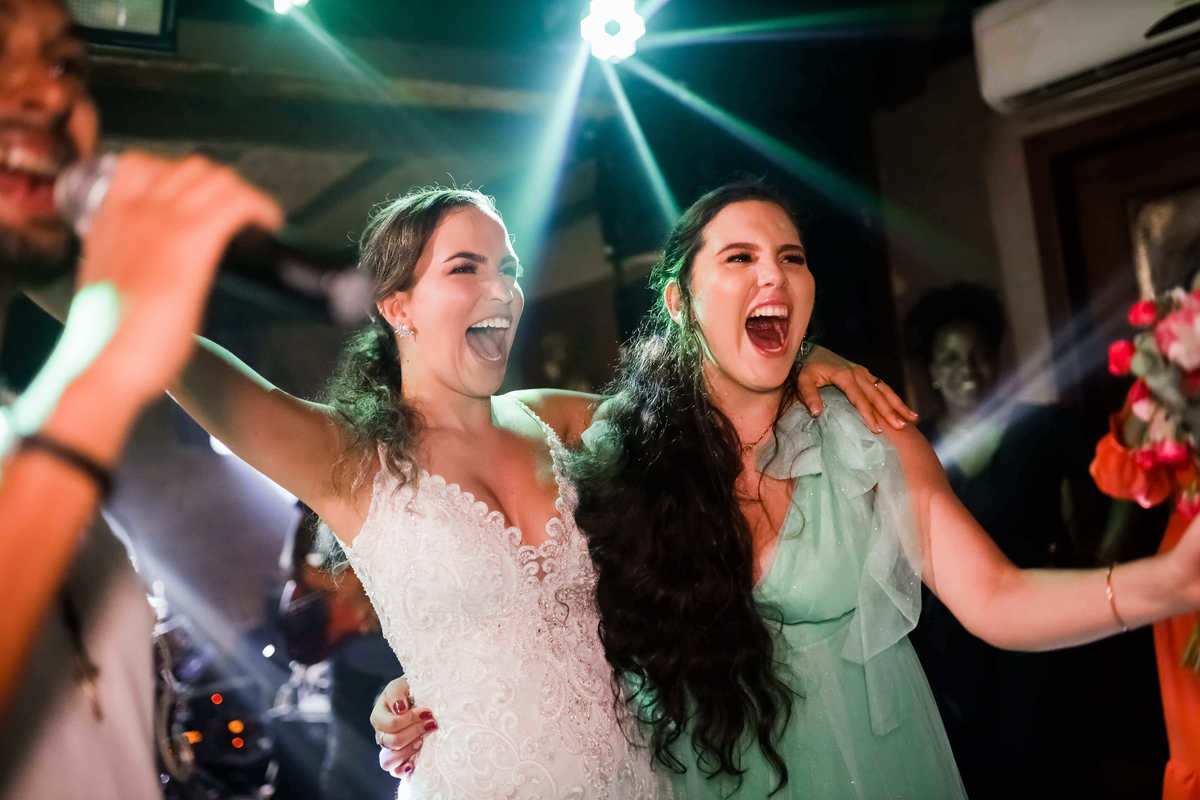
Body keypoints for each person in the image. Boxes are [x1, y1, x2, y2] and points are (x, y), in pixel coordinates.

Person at [121, 171, 915, 796]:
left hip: (640, 785)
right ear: (397, 304)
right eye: (467, 268)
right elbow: (175, 354)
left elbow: (715, 398)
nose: (501, 288)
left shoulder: (553, 421)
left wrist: (812, 357)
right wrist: (47, 254)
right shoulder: (349, 457)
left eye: (509, 268)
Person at [549, 181, 1200, 798]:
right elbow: (486, 418)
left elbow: (998, 597)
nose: (772, 274)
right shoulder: (622, 449)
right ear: (680, 302)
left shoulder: (869, 437)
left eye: (791, 257)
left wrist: (1167, 582)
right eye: (739, 256)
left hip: (868, 768)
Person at [0, 0, 283, 797]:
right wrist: (106, 363)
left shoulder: (26, 436)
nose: (49, 95)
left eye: (64, 66)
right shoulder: (64, 425)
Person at [902, 282, 1100, 797]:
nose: (968, 369)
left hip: (1039, 625)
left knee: (1048, 763)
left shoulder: (1043, 426)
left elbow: (1120, 475)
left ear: (997, 360)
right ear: (933, 371)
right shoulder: (913, 446)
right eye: (951, 358)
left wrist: (1106, 550)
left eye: (980, 355)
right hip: (949, 639)